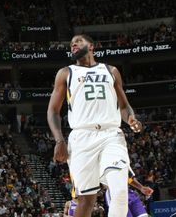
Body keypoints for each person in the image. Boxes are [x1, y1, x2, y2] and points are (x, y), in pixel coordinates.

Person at [47, 34, 143, 217]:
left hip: (111, 134)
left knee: (120, 190)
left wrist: (131, 118)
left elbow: (123, 105)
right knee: (86, 200)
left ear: (91, 46)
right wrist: (59, 140)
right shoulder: (66, 73)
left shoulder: (111, 71)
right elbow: (52, 111)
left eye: (78, 41)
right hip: (81, 137)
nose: (73, 44)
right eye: (71, 43)